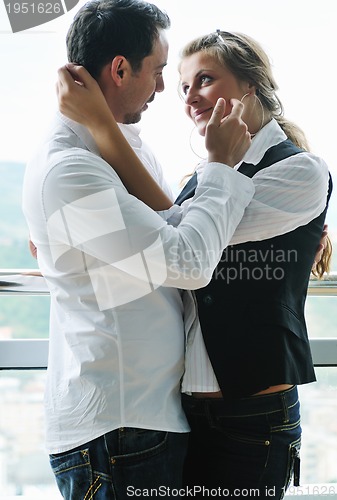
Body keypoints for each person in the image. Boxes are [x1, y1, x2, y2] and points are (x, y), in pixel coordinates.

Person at [56, 29, 332, 499]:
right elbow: (165, 232)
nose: (189, 98)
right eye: (183, 87)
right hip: (185, 409)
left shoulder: (300, 171)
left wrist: (104, 128)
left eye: (204, 80)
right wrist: (70, 236)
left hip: (252, 416)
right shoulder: (207, 176)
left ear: (251, 85)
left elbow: (183, 238)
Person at [22, 2, 255, 499]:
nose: (162, 89)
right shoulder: (70, 169)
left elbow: (170, 225)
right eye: (158, 71)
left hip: (142, 418)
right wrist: (221, 167)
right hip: (117, 428)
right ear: (120, 68)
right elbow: (188, 261)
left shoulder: (117, 145)